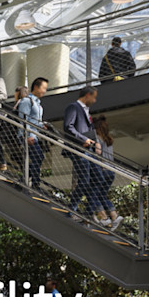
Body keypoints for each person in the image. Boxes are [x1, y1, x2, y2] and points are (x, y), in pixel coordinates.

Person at [63, 86, 103, 219]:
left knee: (99, 178)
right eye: (94, 97)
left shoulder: (87, 111)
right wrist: (83, 139)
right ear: (87, 95)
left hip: (90, 149)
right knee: (84, 181)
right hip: (79, 149)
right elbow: (68, 127)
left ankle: (88, 212)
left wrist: (96, 142)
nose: (95, 100)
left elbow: (90, 129)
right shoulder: (73, 107)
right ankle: (72, 209)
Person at [16, 77, 49, 190]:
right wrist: (28, 135)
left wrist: (42, 126)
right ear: (36, 87)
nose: (45, 91)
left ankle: (25, 180)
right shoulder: (27, 101)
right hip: (27, 136)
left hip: (34, 136)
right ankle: (35, 184)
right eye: (43, 88)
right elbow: (23, 119)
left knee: (38, 157)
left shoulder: (39, 105)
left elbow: (36, 122)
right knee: (38, 157)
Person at [92, 115, 123, 230]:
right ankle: (115, 216)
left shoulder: (96, 137)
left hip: (102, 170)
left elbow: (98, 152)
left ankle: (104, 218)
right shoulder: (108, 139)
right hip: (111, 171)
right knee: (101, 195)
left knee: (93, 194)